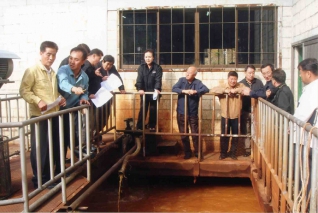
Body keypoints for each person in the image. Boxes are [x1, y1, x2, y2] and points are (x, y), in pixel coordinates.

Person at [19, 41, 66, 188]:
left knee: (53, 146)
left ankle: (51, 177)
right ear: (41, 53)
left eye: (54, 55)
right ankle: (40, 180)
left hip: (53, 113)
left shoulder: (52, 72)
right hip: (39, 116)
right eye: (48, 54)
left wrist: (60, 98)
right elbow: (24, 90)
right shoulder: (32, 71)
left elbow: (52, 92)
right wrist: (37, 100)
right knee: (41, 148)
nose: (51, 58)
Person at [57, 46, 90, 157]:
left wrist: (84, 98)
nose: (72, 61)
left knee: (72, 136)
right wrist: (74, 89)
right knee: (59, 139)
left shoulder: (84, 77)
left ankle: (73, 161)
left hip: (72, 110)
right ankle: (60, 166)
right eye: (71, 58)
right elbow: (63, 83)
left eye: (76, 59)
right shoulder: (63, 70)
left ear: (83, 61)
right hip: (59, 110)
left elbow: (85, 91)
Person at [172, 66, 209, 159]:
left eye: (190, 72)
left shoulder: (197, 82)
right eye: (187, 72)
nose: (187, 74)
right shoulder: (181, 80)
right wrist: (184, 91)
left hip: (193, 113)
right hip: (181, 112)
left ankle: (197, 152)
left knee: (195, 134)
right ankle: (187, 153)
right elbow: (174, 88)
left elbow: (206, 89)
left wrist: (196, 91)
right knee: (184, 134)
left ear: (194, 74)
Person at [211, 71, 246, 160]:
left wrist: (235, 90)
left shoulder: (240, 85)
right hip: (225, 116)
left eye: (235, 79)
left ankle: (233, 153)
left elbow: (246, 90)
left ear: (237, 79)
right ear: (228, 79)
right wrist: (225, 91)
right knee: (224, 136)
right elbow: (212, 90)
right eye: (231, 79)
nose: (233, 81)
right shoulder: (223, 86)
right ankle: (223, 153)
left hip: (237, 116)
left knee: (235, 136)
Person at [239, 65, 264, 157]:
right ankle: (247, 149)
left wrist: (251, 93)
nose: (251, 74)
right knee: (246, 130)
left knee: (257, 130)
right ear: (245, 73)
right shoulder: (241, 83)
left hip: (257, 110)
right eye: (249, 73)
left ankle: (257, 149)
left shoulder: (259, 83)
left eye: (253, 72)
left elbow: (263, 93)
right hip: (245, 110)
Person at [135, 49, 162, 131]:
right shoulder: (141, 67)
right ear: (144, 58)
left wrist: (157, 89)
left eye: (149, 57)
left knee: (153, 109)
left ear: (153, 58)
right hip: (144, 93)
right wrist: (140, 89)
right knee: (143, 109)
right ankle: (139, 127)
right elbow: (139, 80)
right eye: (146, 57)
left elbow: (158, 80)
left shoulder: (157, 67)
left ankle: (152, 126)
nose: (148, 59)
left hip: (154, 93)